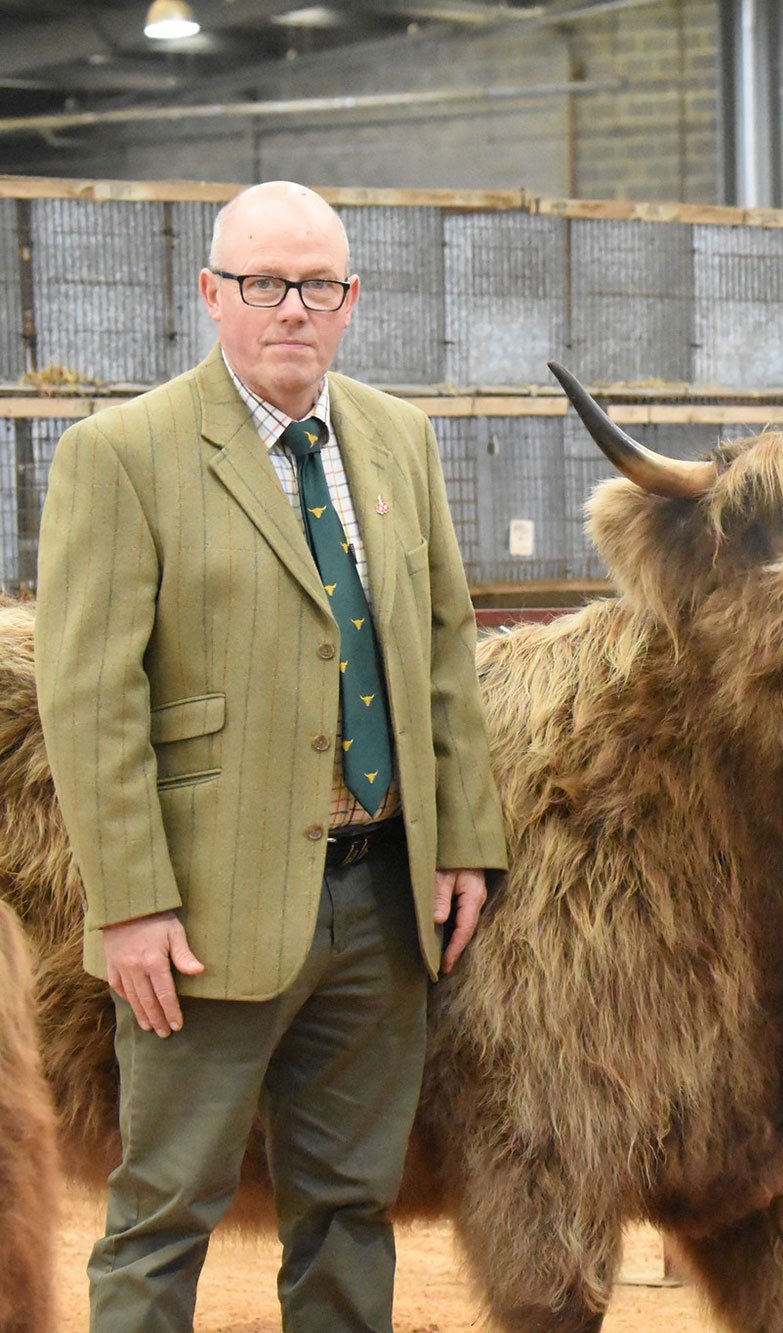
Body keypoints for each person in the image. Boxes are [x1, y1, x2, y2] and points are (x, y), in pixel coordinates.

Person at [35, 180, 510, 1330]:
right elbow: (92, 698)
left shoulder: (399, 439)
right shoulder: (122, 456)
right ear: (212, 294)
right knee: (165, 1212)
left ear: (351, 300)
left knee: (352, 1205)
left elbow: (443, 655)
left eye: (315, 286)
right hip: (202, 916)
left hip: (380, 903)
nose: (289, 308)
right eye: (262, 284)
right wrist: (133, 905)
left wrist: (460, 844)